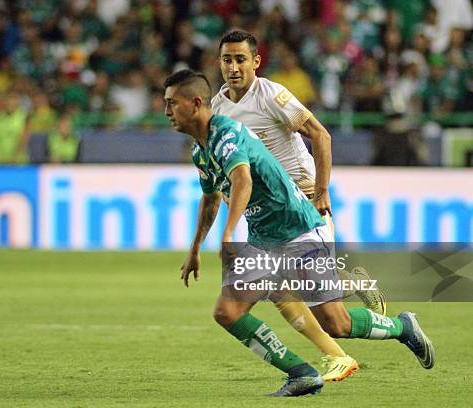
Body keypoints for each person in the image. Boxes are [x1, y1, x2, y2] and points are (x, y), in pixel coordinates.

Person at [164, 69, 435, 396]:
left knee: (337, 324)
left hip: (298, 229)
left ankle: (403, 327)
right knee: (228, 312)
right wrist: (195, 248)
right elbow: (209, 199)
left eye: (171, 103)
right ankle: (301, 373)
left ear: (195, 103)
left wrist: (229, 232)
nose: (166, 112)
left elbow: (243, 181)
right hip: (263, 240)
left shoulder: (227, 134)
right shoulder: (200, 150)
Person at [211, 29, 435, 368]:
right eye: (227, 59)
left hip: (302, 206)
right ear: (219, 63)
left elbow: (320, 134)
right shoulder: (217, 108)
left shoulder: (272, 95)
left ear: (255, 62)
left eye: (241, 59)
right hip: (268, 218)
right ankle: (318, 354)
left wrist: (322, 190)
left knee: (325, 313)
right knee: (285, 306)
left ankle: (394, 326)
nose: (233, 67)